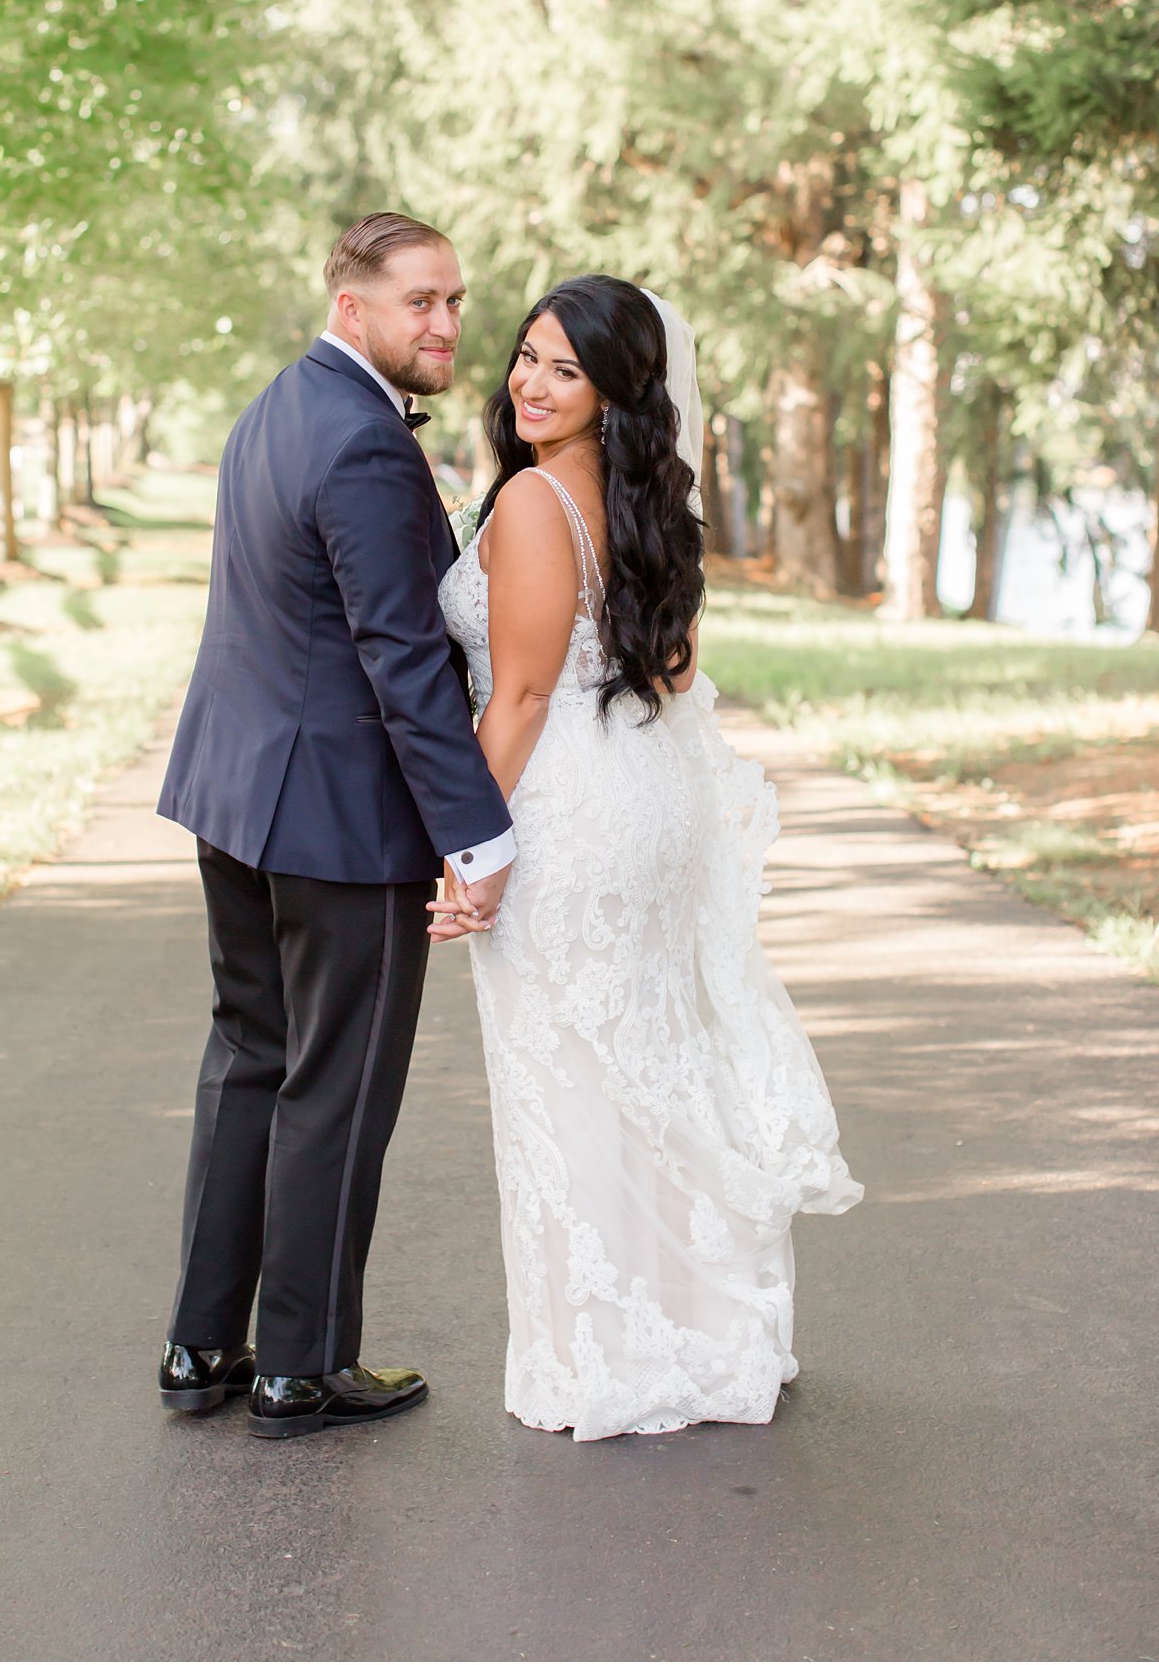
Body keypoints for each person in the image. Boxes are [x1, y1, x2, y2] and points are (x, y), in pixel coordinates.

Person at [436, 275, 861, 1441]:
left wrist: (468, 846)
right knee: (649, 1060)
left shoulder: (531, 505)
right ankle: (703, 1329)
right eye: (525, 355)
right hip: (644, 792)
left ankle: (609, 1356)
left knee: (571, 1072)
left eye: (563, 370)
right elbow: (664, 669)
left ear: (616, 391)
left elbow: (518, 693)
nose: (528, 382)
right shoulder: (645, 503)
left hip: (570, 809)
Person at [155, 212, 513, 1440]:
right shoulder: (364, 443)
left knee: (250, 1060)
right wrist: (480, 834)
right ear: (353, 305)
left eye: (456, 301)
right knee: (337, 1087)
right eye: (421, 302)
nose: (448, 325)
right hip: (336, 821)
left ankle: (203, 1344)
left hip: (234, 795)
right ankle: (298, 1367)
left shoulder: (275, 406)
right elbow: (400, 661)